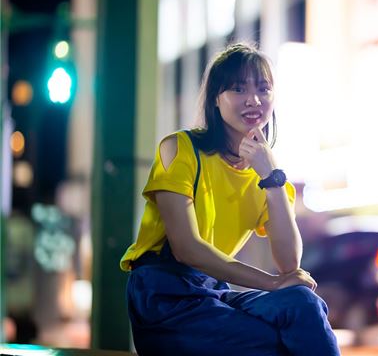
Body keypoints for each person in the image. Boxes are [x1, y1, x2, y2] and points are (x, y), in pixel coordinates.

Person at [120, 43, 340, 356]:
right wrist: (271, 283)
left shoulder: (266, 174)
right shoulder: (180, 149)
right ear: (215, 98)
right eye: (238, 89)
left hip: (215, 294)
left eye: (263, 88)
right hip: (164, 299)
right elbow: (186, 248)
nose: (254, 100)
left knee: (303, 303)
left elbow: (289, 263)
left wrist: (272, 178)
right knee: (278, 343)